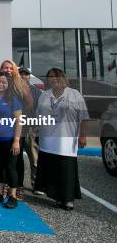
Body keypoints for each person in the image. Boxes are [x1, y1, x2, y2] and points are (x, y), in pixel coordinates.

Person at [35, 68, 88, 211]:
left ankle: (68, 199)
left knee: (66, 169)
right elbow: (38, 115)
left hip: (66, 140)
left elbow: (83, 118)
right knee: (52, 168)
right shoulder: (44, 95)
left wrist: (82, 136)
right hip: (47, 139)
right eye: (50, 77)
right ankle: (57, 197)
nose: (53, 79)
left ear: (63, 78)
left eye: (56, 76)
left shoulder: (74, 94)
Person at [0, 72, 23, 209]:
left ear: (8, 85)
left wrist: (16, 141)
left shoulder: (13, 99)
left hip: (9, 139)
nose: (1, 84)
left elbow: (19, 121)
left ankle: (12, 196)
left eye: (4, 82)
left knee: (10, 167)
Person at [0, 59, 33, 200]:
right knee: (3, 159)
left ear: (14, 70)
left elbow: (30, 104)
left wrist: (18, 114)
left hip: (19, 125)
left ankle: (17, 186)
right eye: (5, 68)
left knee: (16, 157)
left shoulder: (21, 84)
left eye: (10, 68)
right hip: (2, 126)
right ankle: (5, 185)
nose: (7, 70)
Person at [18, 67, 43, 193]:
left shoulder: (37, 92)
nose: (23, 76)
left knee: (35, 158)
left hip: (30, 129)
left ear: (29, 76)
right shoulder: (14, 90)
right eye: (21, 74)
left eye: (26, 74)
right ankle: (17, 184)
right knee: (16, 158)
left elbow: (41, 110)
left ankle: (36, 185)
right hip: (15, 128)